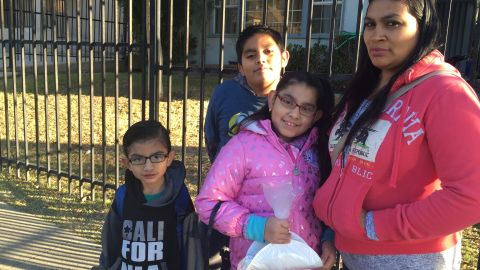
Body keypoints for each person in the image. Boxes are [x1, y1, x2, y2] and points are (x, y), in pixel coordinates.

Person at [312, 0, 480, 269]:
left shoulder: (446, 92)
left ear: (422, 27)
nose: (377, 34)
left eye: (392, 23)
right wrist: (335, 228)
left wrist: (374, 225)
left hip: (411, 259)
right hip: (353, 254)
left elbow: (471, 197)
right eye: (370, 24)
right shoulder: (369, 85)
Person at [196, 71, 337, 269]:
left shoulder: (319, 151)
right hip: (255, 262)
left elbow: (328, 203)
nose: (294, 113)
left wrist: (328, 239)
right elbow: (208, 203)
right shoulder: (242, 146)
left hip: (306, 262)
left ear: (316, 116)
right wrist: (257, 228)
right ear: (272, 99)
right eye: (287, 101)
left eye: (306, 108)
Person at [97, 120, 194, 269]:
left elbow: (190, 247)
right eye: (138, 159)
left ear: (169, 158)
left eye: (156, 157)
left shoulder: (179, 197)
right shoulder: (123, 195)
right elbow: (111, 242)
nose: (148, 166)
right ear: (127, 163)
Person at [204, 24, 290, 161]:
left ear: (284, 58)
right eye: (251, 55)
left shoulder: (294, 98)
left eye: (268, 52)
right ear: (241, 68)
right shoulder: (224, 93)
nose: (260, 60)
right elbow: (212, 140)